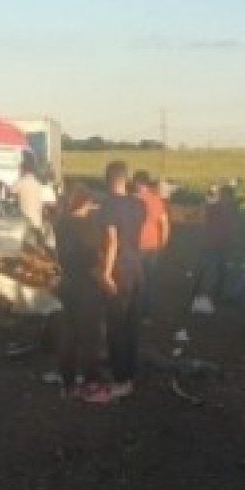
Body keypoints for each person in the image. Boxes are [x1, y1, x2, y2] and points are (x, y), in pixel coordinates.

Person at [84, 160, 145, 405]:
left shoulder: (108, 207)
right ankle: (129, 373)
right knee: (130, 325)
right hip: (137, 269)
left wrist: (106, 273)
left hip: (118, 270)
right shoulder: (139, 205)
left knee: (116, 327)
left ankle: (121, 382)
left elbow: (112, 241)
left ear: (107, 179)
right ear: (126, 178)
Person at [51, 184, 107, 393]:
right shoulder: (89, 226)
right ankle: (90, 378)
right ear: (85, 203)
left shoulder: (60, 224)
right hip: (87, 286)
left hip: (66, 283)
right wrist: (104, 280)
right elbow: (92, 259)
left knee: (68, 334)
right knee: (90, 335)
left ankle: (68, 380)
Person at [189, 183, 238, 315]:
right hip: (213, 244)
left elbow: (199, 218)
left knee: (211, 271)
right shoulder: (224, 209)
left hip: (213, 244)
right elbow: (231, 229)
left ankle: (202, 297)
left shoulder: (218, 208)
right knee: (210, 272)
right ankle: (203, 298)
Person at [130, 170, 171, 319]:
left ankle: (133, 310)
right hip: (153, 245)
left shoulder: (132, 200)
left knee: (134, 279)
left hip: (136, 246)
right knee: (149, 280)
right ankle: (146, 313)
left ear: (138, 183)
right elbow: (165, 223)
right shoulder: (157, 200)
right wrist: (164, 242)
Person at [12, 150, 51, 233]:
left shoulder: (20, 182)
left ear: (23, 170)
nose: (19, 172)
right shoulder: (38, 183)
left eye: (19, 169)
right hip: (37, 222)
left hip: (24, 223)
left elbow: (10, 195)